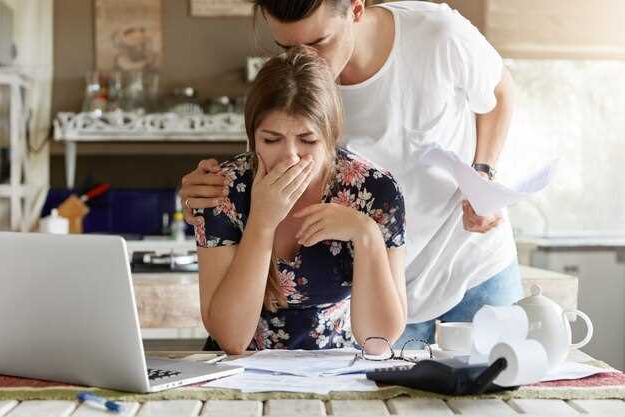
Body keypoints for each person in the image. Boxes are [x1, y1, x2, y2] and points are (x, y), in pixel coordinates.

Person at [181, 0, 522, 346]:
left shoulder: (438, 35)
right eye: (286, 47)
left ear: (356, 9)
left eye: (318, 44)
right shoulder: (294, 91)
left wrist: (483, 175)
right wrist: (208, 193)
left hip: (467, 260)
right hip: (373, 288)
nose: (303, 61)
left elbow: (500, 92)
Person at [195, 46, 407, 354]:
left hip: (338, 370)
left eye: (307, 140)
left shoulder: (376, 191)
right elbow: (231, 338)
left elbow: (379, 340)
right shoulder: (222, 190)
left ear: (331, 136)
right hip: (241, 372)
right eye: (271, 140)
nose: (290, 156)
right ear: (252, 135)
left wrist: (366, 234)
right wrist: (262, 223)